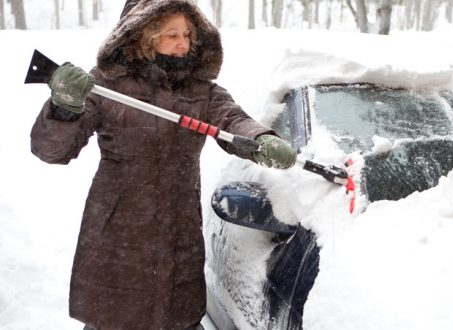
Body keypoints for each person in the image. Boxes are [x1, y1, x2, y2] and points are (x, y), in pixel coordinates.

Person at [30, 0, 296, 328]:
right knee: (116, 317)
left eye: (187, 34)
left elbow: (233, 120)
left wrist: (260, 140)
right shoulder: (105, 85)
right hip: (117, 231)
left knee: (177, 316)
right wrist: (63, 106)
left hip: (178, 232)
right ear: (143, 35)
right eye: (172, 35)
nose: (183, 43)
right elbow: (52, 151)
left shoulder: (203, 92)